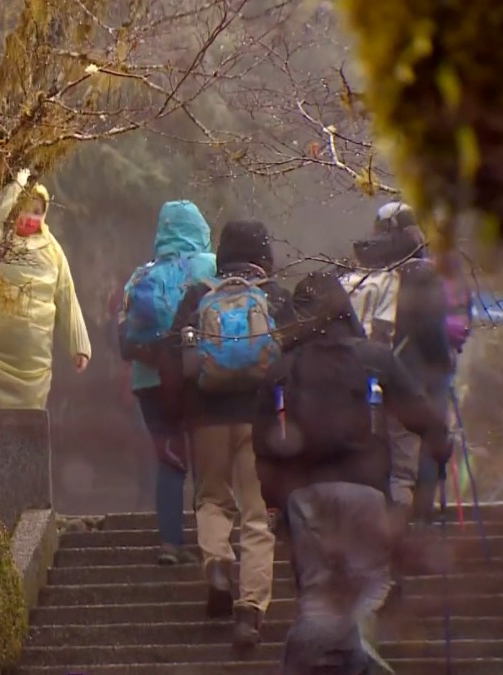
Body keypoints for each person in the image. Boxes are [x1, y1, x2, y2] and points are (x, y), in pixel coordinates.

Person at [252, 272, 452, 675]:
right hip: (366, 490)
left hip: (306, 497)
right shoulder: (372, 357)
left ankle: (310, 662)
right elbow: (421, 415)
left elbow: (263, 442)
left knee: (317, 595)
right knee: (371, 586)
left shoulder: (284, 367)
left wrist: (274, 502)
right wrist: (439, 447)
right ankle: (361, 652)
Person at [170, 220, 293, 651]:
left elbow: (177, 359)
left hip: (206, 419)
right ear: (263, 254)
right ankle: (250, 611)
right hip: (259, 420)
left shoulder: (198, 295)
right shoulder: (275, 296)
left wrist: (177, 417)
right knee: (258, 517)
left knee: (212, 499)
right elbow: (292, 357)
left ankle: (218, 565)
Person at [0, 169, 92, 471]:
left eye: (38, 212)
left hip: (33, 367)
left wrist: (78, 345)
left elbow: (66, 295)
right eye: (25, 209)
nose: (31, 217)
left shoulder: (52, 250)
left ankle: (22, 487)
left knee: (27, 425)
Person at [117, 200, 216, 565]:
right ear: (200, 229)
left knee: (170, 460)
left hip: (150, 381)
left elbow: (124, 337)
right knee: (208, 460)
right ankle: (213, 543)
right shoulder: (210, 266)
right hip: (196, 376)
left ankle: (170, 543)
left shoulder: (140, 276)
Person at [341, 212, 450, 525]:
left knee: (377, 459)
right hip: (409, 379)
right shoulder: (421, 276)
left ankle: (376, 525)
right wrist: (443, 359)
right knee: (407, 460)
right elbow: (432, 331)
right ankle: (411, 520)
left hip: (361, 379)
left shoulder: (356, 278)